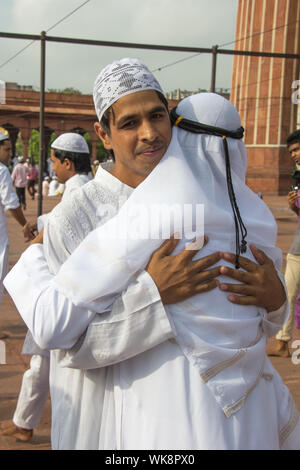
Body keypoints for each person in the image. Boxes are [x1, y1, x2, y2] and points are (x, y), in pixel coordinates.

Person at [4, 59, 297, 450]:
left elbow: (239, 319)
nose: (149, 134)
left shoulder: (211, 203)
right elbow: (69, 345)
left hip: (197, 421)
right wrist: (153, 295)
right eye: (129, 123)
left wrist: (276, 302)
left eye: (157, 116)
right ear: (103, 134)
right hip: (102, 412)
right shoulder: (77, 216)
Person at [0, 133, 92, 442]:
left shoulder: (80, 193)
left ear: (67, 162)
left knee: (52, 359)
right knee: (40, 357)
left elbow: (58, 226)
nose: (52, 166)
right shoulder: (81, 188)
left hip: (66, 287)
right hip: (66, 284)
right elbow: (57, 221)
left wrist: (31, 250)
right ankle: (24, 422)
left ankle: (30, 424)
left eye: (54, 160)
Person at [267, 130, 300, 357]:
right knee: (288, 293)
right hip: (298, 250)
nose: (295, 155)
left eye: (297, 149)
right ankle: (282, 342)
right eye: (291, 152)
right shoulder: (297, 177)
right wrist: (294, 208)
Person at [0, 132, 36, 338]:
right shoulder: (2, 171)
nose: (10, 153)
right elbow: (11, 203)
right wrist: (24, 225)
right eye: (7, 149)